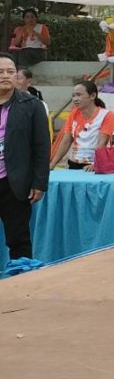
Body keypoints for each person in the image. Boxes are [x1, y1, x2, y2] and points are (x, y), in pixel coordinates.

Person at [0, 52, 50, 261]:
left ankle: (22, 276)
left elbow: (42, 147)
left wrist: (39, 183)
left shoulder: (31, 105)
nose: (6, 76)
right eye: (1, 72)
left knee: (18, 238)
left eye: (10, 71)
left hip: (14, 183)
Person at [50, 79, 114, 171]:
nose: (75, 99)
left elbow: (103, 142)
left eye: (79, 95)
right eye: (73, 96)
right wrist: (52, 164)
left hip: (97, 164)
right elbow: (66, 141)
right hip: (74, 163)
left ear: (92, 96)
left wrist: (95, 163)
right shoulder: (73, 114)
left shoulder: (107, 115)